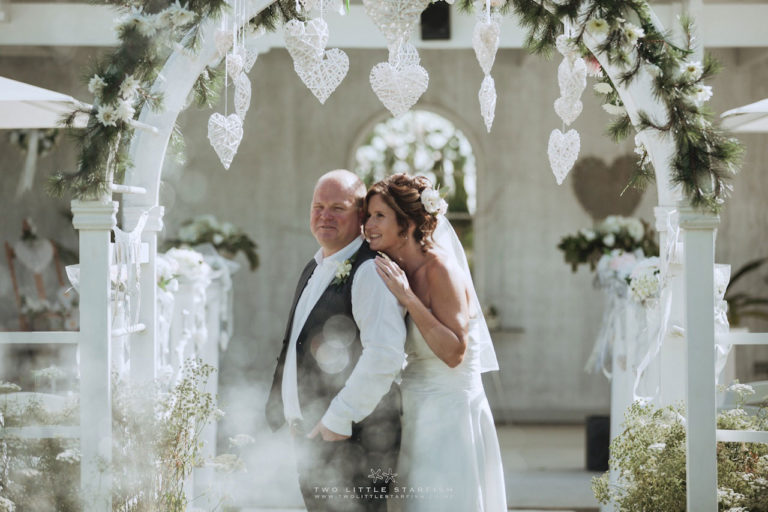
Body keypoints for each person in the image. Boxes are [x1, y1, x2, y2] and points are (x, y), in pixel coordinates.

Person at [265, 169, 407, 511]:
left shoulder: (370, 271)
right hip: (315, 438)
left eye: (338, 208)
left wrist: (337, 419)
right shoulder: (314, 266)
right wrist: (285, 412)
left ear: (360, 215)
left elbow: (385, 355)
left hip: (355, 441)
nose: (324, 215)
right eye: (318, 206)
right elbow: (295, 344)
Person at [364, 173, 507, 511]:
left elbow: (455, 351)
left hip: (450, 413)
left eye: (379, 216)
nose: (368, 224)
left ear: (408, 223)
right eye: (367, 216)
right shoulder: (391, 266)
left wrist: (409, 298)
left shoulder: (440, 270)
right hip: (413, 410)